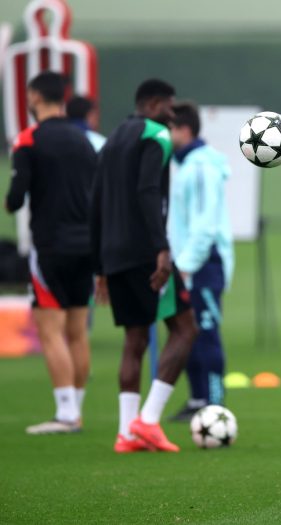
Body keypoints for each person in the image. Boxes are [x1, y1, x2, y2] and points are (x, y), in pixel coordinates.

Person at [91, 79, 198, 453]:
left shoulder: (111, 140)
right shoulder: (156, 135)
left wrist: (100, 266)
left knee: (133, 341)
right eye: (169, 106)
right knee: (186, 329)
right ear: (154, 104)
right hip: (146, 256)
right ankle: (148, 420)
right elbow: (149, 192)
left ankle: (126, 433)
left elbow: (97, 201)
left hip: (114, 255)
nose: (172, 114)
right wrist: (162, 249)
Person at [5, 71, 96, 434]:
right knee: (77, 331)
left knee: (50, 331)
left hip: (51, 246)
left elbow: (15, 198)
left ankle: (65, 414)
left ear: (34, 97)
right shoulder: (83, 140)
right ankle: (77, 408)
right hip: (87, 245)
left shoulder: (28, 140)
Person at [167, 101, 234, 421]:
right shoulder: (184, 165)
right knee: (186, 333)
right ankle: (197, 400)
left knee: (205, 332)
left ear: (183, 129)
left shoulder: (203, 167)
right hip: (187, 265)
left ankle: (215, 403)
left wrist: (186, 264)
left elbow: (206, 223)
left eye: (168, 129)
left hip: (203, 264)